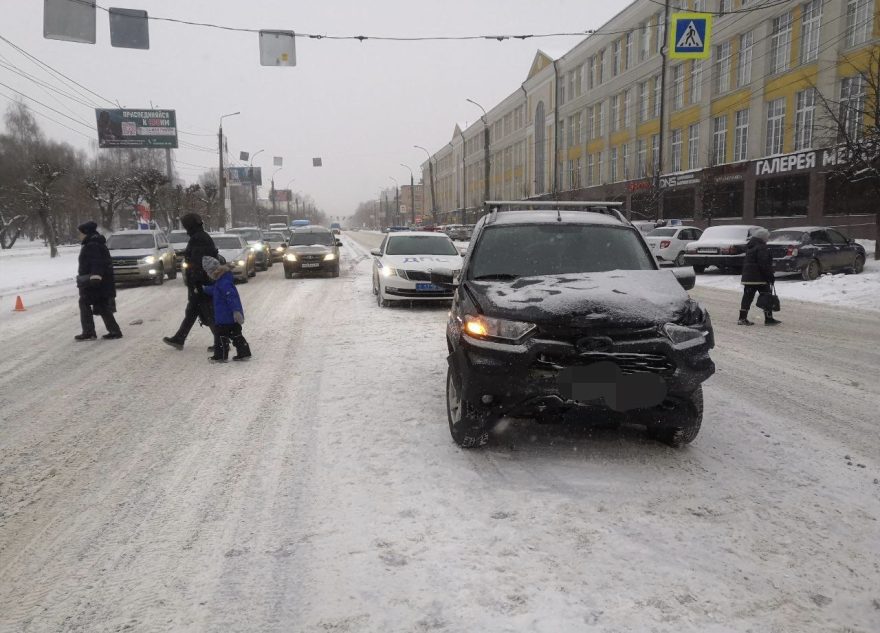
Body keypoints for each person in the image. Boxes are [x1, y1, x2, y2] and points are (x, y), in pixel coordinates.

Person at [162, 213, 220, 352]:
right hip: (200, 282)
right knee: (193, 312)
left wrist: (197, 284)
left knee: (208, 312)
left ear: (190, 225)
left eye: (185, 225)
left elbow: (199, 262)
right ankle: (179, 338)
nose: (185, 228)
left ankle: (221, 342)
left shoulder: (199, 238)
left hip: (201, 283)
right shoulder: (199, 237)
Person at [75, 221, 122, 341]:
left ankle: (89, 332)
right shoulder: (95, 243)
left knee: (84, 302)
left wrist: (95, 278)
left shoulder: (92, 245)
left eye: (80, 233)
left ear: (86, 233)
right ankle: (114, 331)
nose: (79, 235)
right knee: (102, 305)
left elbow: (97, 262)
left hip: (95, 282)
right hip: (101, 281)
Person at [201, 256, 252, 362]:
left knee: (220, 337)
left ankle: (220, 356)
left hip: (225, 316)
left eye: (208, 272)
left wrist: (236, 311)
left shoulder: (224, 283)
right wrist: (205, 289)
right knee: (236, 335)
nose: (208, 275)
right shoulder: (222, 281)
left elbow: (231, 297)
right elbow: (216, 290)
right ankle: (244, 353)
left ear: (213, 271)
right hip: (229, 317)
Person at [738, 227, 781, 326]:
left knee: (747, 297)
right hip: (760, 278)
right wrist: (770, 276)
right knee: (767, 296)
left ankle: (742, 318)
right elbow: (764, 264)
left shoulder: (750, 246)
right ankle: (769, 319)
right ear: (763, 238)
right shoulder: (761, 247)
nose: (768, 239)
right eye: (767, 237)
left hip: (748, 278)